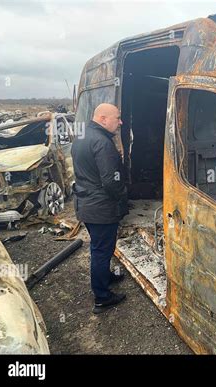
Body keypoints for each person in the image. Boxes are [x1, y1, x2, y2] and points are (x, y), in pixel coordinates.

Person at [71, 103, 129, 314]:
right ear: (103, 119)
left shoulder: (82, 137)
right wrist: (123, 196)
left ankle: (105, 277)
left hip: (86, 203)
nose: (120, 122)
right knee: (101, 251)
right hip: (100, 208)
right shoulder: (103, 143)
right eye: (117, 118)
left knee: (101, 246)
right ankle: (102, 297)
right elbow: (110, 181)